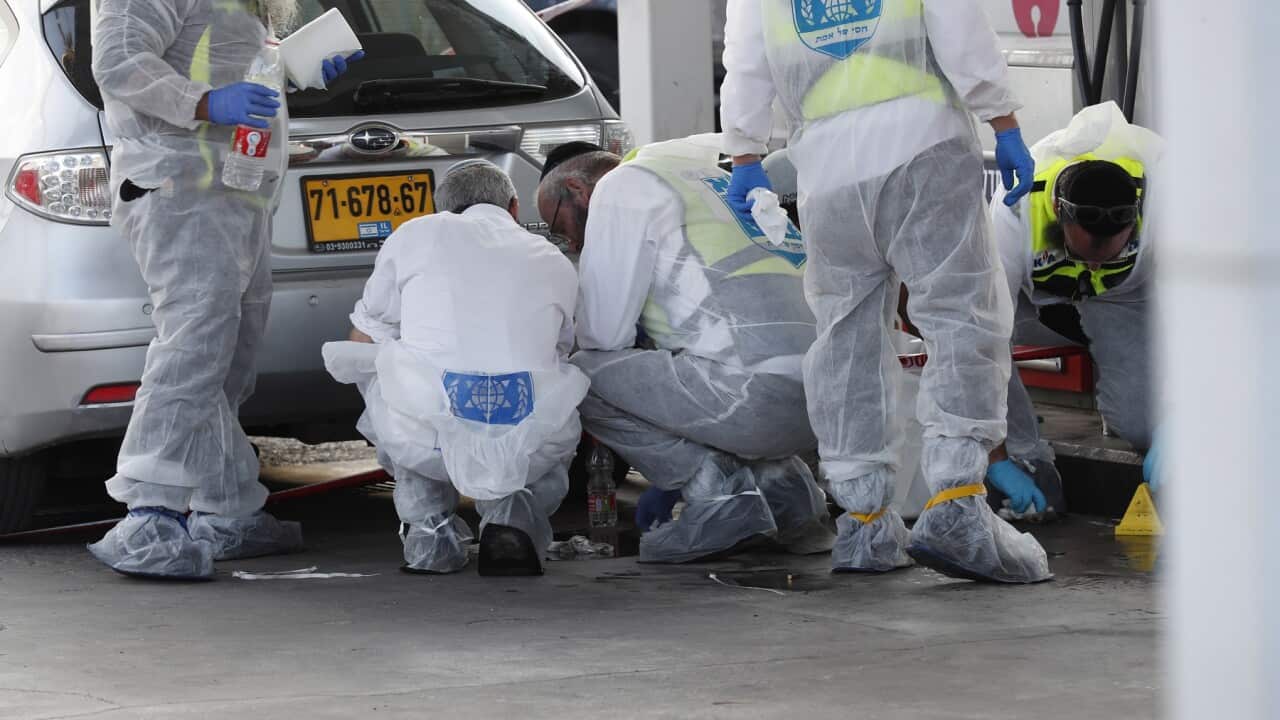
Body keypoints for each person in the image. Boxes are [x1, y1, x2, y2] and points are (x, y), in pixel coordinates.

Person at [718, 0, 1050, 582]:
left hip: (826, 167)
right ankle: (957, 504)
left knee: (845, 337)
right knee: (960, 316)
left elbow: (744, 60)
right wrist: (1003, 120)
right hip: (922, 142)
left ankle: (865, 521)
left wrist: (745, 153)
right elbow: (959, 28)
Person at [87, 0, 360, 579]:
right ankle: (150, 510)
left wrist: (292, 67)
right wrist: (204, 103)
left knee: (227, 357)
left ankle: (226, 505)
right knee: (193, 342)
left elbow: (217, 58)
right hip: (179, 183)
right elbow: (118, 61)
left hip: (238, 188)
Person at [537, 134, 834, 564]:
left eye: (562, 228)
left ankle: (719, 497)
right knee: (716, 354)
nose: (574, 245)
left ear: (578, 191)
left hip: (753, 401)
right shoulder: (704, 175)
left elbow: (603, 337)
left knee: (580, 375)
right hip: (821, 402)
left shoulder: (622, 188)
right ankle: (791, 500)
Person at [324, 160, 587, 576]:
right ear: (514, 207)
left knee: (378, 363)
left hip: (426, 443)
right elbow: (564, 347)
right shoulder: (552, 257)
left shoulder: (415, 234)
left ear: (439, 207)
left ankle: (429, 535)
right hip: (528, 441)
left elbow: (364, 335)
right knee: (553, 382)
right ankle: (510, 518)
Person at [990, 101, 1163, 503]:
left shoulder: (1170, 199)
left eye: (1110, 254)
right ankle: (1025, 458)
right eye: (1086, 249)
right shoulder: (1016, 208)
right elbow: (981, 338)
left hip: (1125, 300)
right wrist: (994, 452)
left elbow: (1212, 320)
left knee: (1145, 426)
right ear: (1058, 213)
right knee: (975, 327)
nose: (1095, 260)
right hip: (1036, 303)